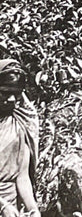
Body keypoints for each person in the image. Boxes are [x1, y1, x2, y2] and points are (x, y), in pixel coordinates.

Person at [0, 59, 40, 217]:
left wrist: (33, 209)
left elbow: (22, 177)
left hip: (12, 208)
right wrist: (2, 206)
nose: (11, 99)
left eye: (15, 94)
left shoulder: (18, 125)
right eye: (4, 92)